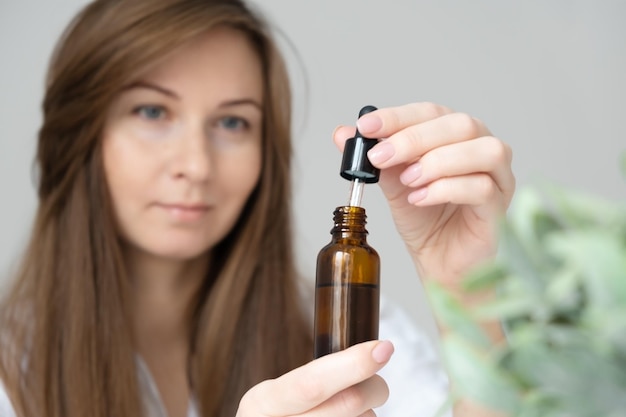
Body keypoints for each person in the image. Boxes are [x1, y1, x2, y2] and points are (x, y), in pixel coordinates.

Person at [0, 0, 515, 416]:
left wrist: (466, 290)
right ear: (78, 135)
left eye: (232, 123)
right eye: (152, 111)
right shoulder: (11, 375)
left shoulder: (358, 331)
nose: (196, 165)